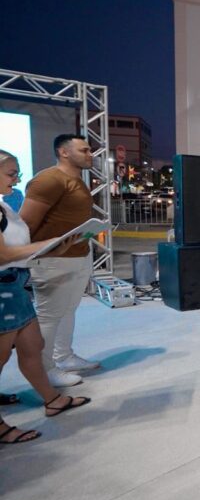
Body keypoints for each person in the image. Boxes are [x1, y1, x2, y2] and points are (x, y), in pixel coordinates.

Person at [0, 150, 90, 444]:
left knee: (33, 346)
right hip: (4, 289)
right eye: (11, 173)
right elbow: (3, 254)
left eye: (17, 173)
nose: (16, 179)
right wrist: (50, 242)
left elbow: (18, 248)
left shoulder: (3, 205)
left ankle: (51, 399)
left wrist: (57, 247)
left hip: (17, 285)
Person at [19, 134, 99, 388]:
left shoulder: (76, 180)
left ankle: (64, 356)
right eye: (84, 150)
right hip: (53, 259)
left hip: (77, 255)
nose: (90, 154)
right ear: (64, 152)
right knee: (50, 316)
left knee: (68, 310)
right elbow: (27, 223)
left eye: (90, 150)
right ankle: (46, 369)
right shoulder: (48, 179)